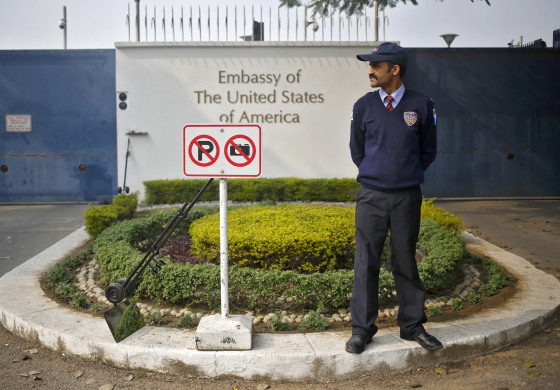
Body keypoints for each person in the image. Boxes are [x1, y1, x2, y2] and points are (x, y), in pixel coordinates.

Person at [346, 42, 442, 354]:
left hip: (407, 198)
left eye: (376, 65)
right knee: (366, 263)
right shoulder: (364, 106)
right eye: (369, 65)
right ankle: (362, 330)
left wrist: (404, 174)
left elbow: (428, 150)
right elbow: (357, 151)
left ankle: (412, 327)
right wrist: (378, 174)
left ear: (394, 69)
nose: (370, 71)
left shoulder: (422, 104)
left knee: (405, 260)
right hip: (371, 197)